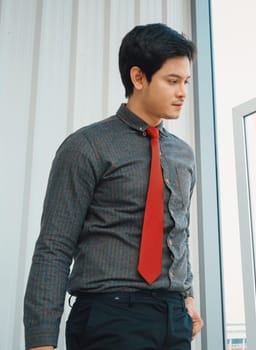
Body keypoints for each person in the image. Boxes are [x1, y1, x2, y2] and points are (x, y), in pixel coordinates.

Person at [23, 23, 203, 350]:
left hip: (173, 319)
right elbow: (54, 246)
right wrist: (40, 342)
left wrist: (186, 296)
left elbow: (178, 233)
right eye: (172, 81)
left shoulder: (183, 155)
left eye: (186, 82)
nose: (183, 93)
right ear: (138, 78)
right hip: (109, 316)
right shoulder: (86, 147)